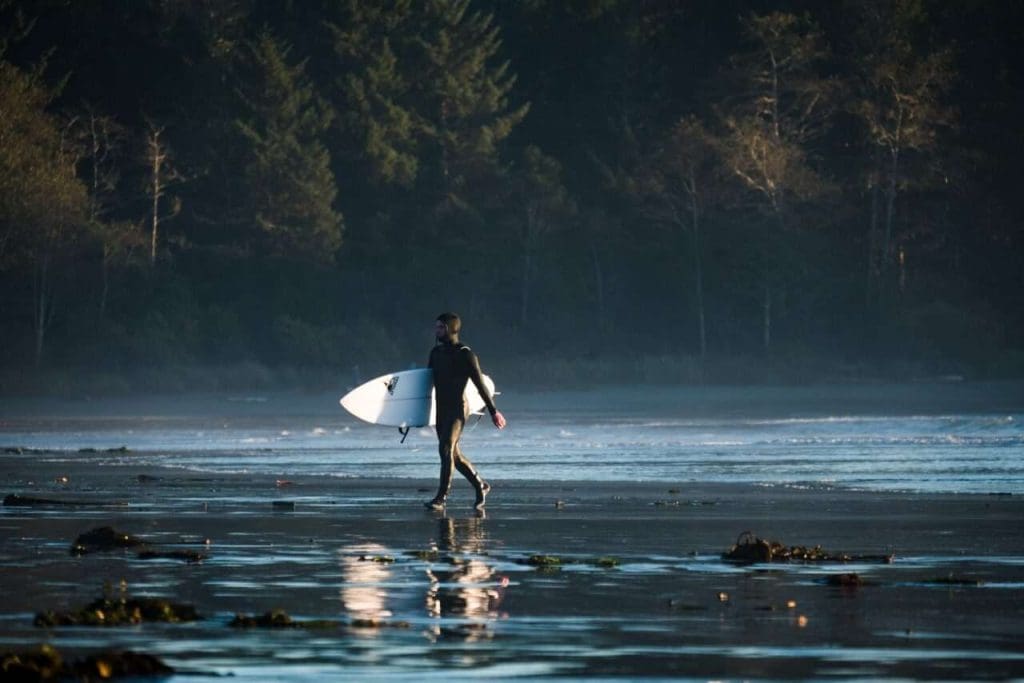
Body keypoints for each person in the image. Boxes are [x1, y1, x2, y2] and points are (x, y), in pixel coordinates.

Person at [425, 312, 506, 511]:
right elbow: (425, 387)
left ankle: (441, 498)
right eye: (436, 327)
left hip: (458, 409)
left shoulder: (465, 354)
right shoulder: (435, 354)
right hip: (441, 409)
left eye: (441, 327)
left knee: (445, 450)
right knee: (454, 455)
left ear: (452, 329)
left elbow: (480, 385)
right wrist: (412, 417)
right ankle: (481, 485)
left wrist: (493, 411)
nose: (437, 331)